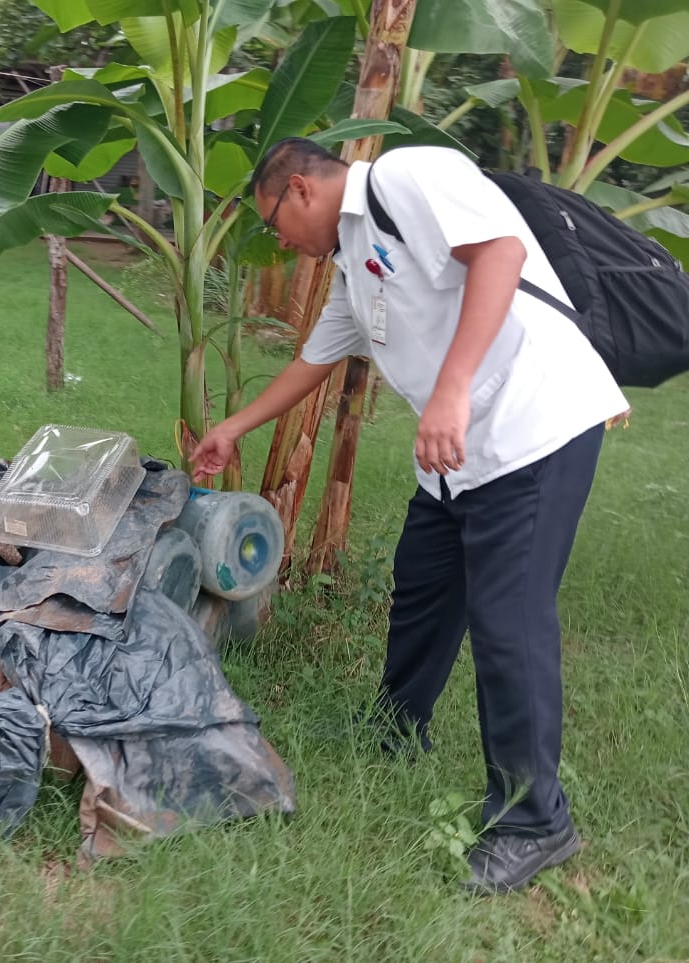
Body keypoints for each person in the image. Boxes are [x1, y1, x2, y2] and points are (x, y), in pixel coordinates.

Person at [191, 139, 629, 894]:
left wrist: (451, 389)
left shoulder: (406, 174)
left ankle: (535, 820)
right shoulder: (350, 263)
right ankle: (398, 724)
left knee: (508, 619)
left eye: (275, 224)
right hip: (461, 452)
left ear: (299, 189)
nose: (282, 244)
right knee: (424, 581)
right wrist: (234, 426)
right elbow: (314, 360)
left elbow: (499, 251)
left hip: (533, 424)